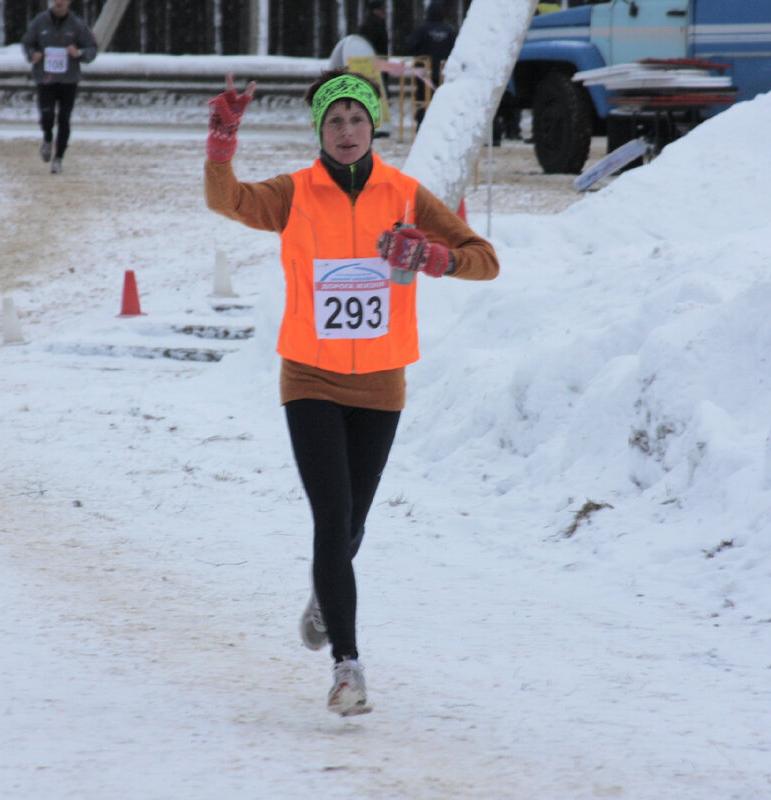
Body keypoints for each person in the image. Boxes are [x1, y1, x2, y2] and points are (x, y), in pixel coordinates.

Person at [203, 69, 498, 717]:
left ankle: (323, 593)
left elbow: (485, 257)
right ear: (320, 129)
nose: (345, 131)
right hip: (309, 376)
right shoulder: (294, 193)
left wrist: (436, 257)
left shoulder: (405, 194)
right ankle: (348, 668)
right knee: (333, 517)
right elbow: (226, 201)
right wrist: (223, 138)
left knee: (352, 528)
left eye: (356, 120)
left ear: (373, 127)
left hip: (382, 383)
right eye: (333, 121)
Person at [21, 0, 97, 174]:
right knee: (46, 115)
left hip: (68, 79)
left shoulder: (77, 24)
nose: (59, 3)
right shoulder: (39, 22)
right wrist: (32, 54)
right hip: (45, 78)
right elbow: (26, 43)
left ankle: (59, 158)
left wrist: (79, 53)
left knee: (64, 118)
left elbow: (92, 48)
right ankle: (47, 138)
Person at [403, 0, 456, 128]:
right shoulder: (450, 31)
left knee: (423, 101)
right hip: (444, 74)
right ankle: (443, 126)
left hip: (424, 74)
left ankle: (422, 127)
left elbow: (409, 47)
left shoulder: (421, 30)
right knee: (444, 102)